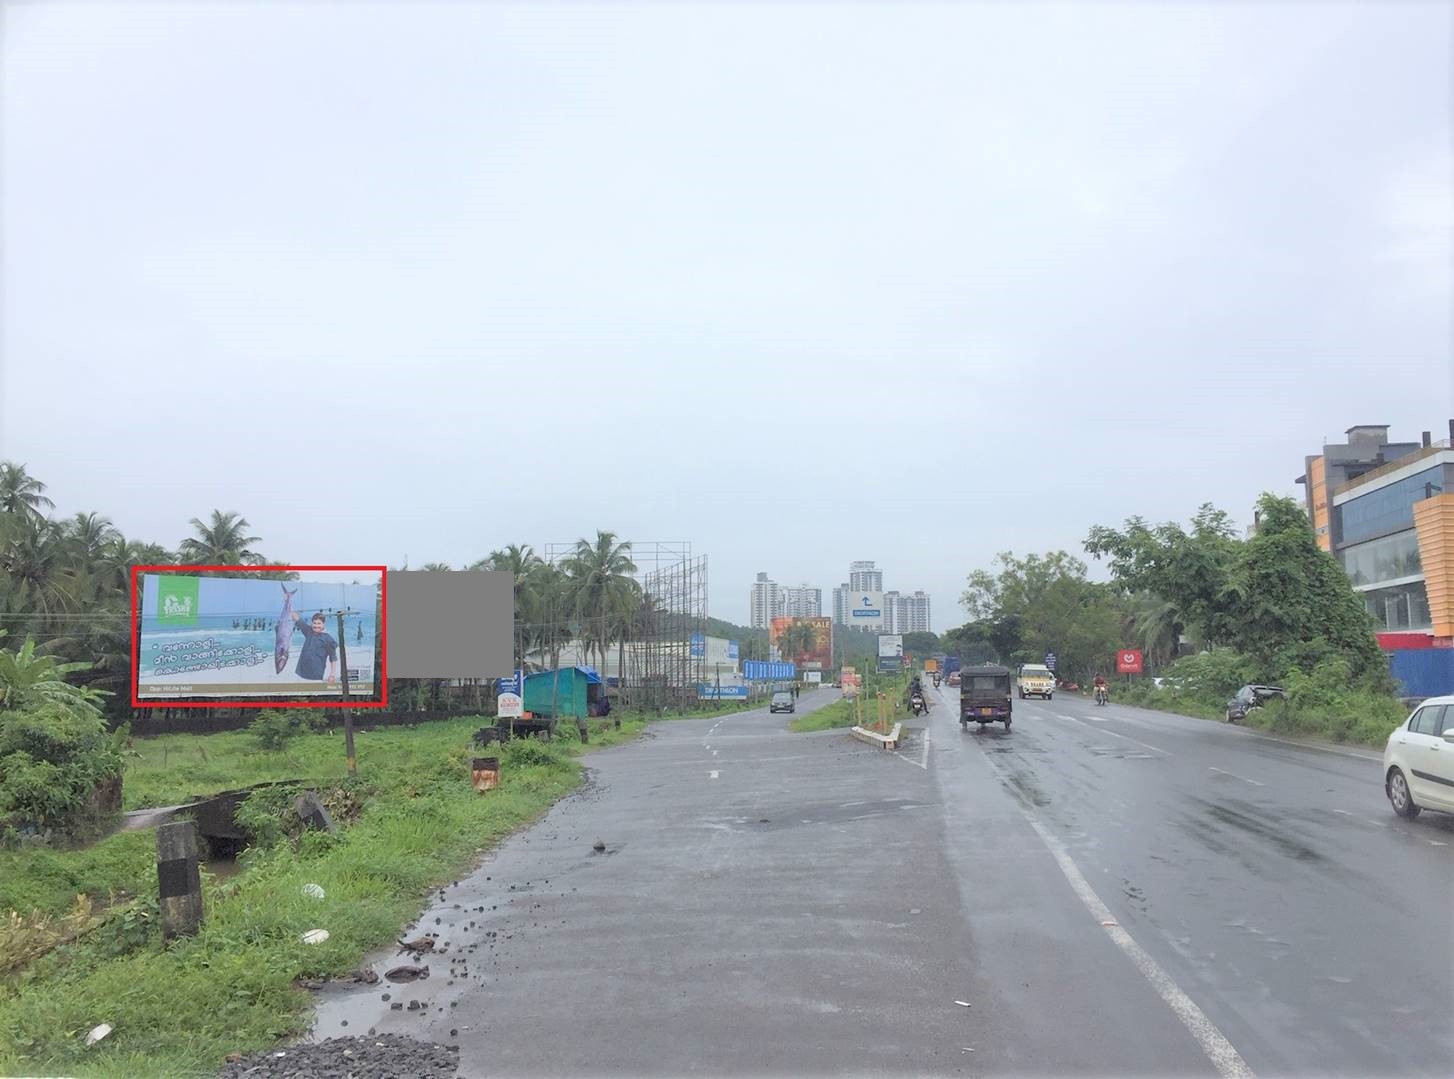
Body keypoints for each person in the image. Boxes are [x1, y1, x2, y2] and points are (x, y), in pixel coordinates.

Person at [290, 610, 338, 684]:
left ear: (323, 624)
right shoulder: (308, 631)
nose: (316, 625)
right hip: (301, 673)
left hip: (316, 676)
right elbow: (297, 618)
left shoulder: (328, 638)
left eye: (319, 623)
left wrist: (332, 674)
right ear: (312, 623)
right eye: (314, 623)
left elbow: (333, 658)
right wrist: (288, 602)